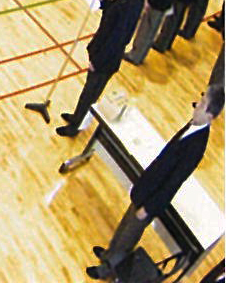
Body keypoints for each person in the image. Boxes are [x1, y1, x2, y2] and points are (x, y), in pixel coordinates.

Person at [85, 85, 224, 279]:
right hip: (146, 187)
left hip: (152, 198)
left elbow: (172, 184)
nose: (197, 105)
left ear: (210, 115)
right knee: (125, 225)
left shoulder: (197, 146)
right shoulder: (193, 125)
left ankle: (108, 268)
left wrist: (149, 207)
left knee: (129, 236)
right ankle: (109, 253)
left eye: (202, 103)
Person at [56, 0, 155, 138]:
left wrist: (97, 60)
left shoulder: (134, 3)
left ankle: (75, 127)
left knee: (91, 93)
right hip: (103, 52)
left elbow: (118, 38)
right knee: (88, 91)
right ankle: (77, 117)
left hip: (106, 59)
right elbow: (115, 11)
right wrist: (102, 0)